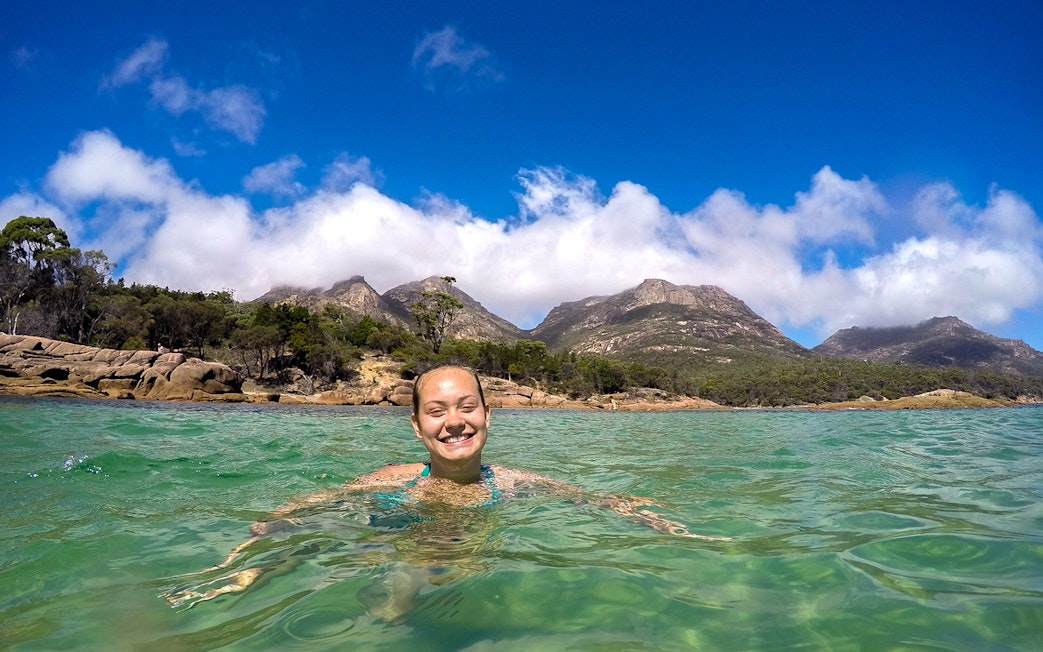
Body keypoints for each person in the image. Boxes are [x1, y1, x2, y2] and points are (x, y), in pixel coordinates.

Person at [165, 365, 727, 609]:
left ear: (488, 415)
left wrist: (642, 513)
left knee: (401, 600)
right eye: (436, 411)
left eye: (466, 407)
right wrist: (255, 544)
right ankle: (236, 582)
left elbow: (591, 498)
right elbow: (306, 508)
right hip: (379, 529)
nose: (453, 421)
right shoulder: (390, 478)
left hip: (436, 551)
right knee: (315, 547)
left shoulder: (514, 481)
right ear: (417, 425)